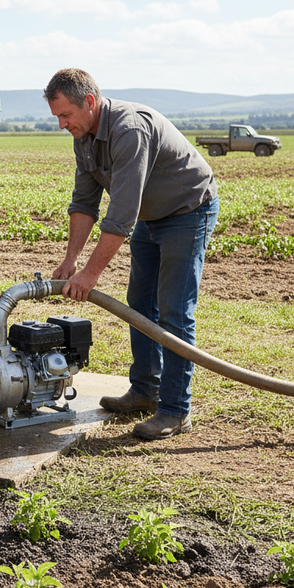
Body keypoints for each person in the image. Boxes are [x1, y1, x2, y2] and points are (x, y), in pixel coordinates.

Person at [44, 68, 218, 440]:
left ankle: (175, 410)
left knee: (173, 310)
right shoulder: (84, 136)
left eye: (65, 115)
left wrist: (90, 274)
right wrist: (71, 259)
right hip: (151, 216)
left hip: (188, 212)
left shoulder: (129, 129)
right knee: (139, 304)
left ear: (89, 102)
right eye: (57, 116)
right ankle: (145, 391)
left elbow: (121, 213)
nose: (61, 124)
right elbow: (84, 203)